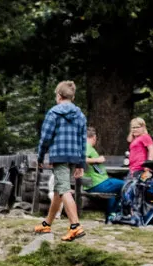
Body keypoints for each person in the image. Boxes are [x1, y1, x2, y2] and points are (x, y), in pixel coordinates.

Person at [34, 80, 87, 241]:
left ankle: (75, 226)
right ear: (72, 96)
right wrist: (80, 163)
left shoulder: (54, 113)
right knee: (58, 190)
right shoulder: (80, 115)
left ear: (58, 95)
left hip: (60, 156)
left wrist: (40, 156)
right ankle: (47, 223)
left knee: (63, 189)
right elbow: (83, 141)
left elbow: (45, 138)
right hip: (74, 156)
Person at [85, 127, 124, 214]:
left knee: (114, 189)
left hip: (95, 183)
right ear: (94, 137)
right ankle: (116, 212)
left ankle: (112, 214)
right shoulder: (86, 146)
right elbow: (82, 159)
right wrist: (97, 160)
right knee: (125, 185)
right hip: (96, 184)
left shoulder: (86, 147)